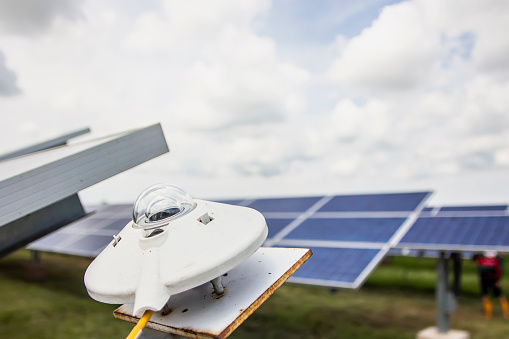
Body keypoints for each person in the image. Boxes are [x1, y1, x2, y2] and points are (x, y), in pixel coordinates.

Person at [473, 251, 509, 318]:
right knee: (485, 296)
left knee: (499, 295)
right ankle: (488, 313)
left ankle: (506, 312)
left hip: (494, 279)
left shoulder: (495, 261)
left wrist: (498, 281)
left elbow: (499, 270)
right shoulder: (483, 260)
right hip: (485, 279)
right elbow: (476, 262)